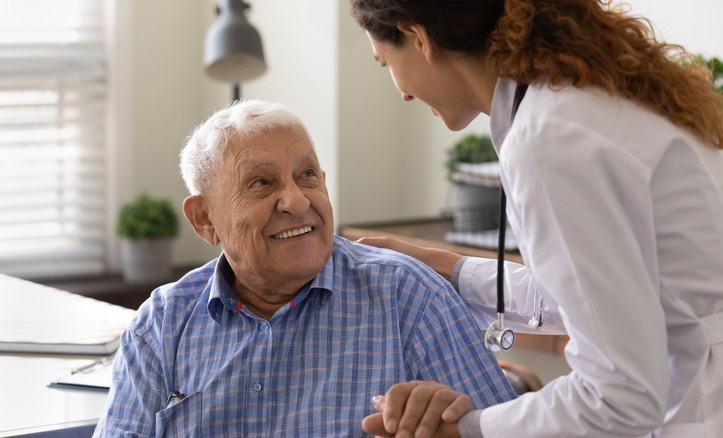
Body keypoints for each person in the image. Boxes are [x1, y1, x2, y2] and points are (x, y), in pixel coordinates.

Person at [349, 0, 723, 437]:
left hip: (721, 410)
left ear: (419, 38)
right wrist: (450, 268)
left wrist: (466, 430)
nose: (401, 91)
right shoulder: (585, 99)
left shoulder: (548, 137)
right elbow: (595, 294)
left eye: (385, 61)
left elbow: (619, 397)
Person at [92, 100, 516, 437]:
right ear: (205, 219)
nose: (296, 201)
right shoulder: (162, 324)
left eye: (307, 175)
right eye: (261, 183)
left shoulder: (408, 296)